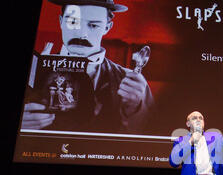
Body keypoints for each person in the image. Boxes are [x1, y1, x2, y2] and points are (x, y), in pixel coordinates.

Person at [21, 0, 154, 133]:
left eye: (93, 25)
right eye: (72, 22)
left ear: (107, 27)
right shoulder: (31, 70)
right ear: (61, 21)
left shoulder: (131, 82)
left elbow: (151, 133)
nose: (81, 34)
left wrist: (135, 108)